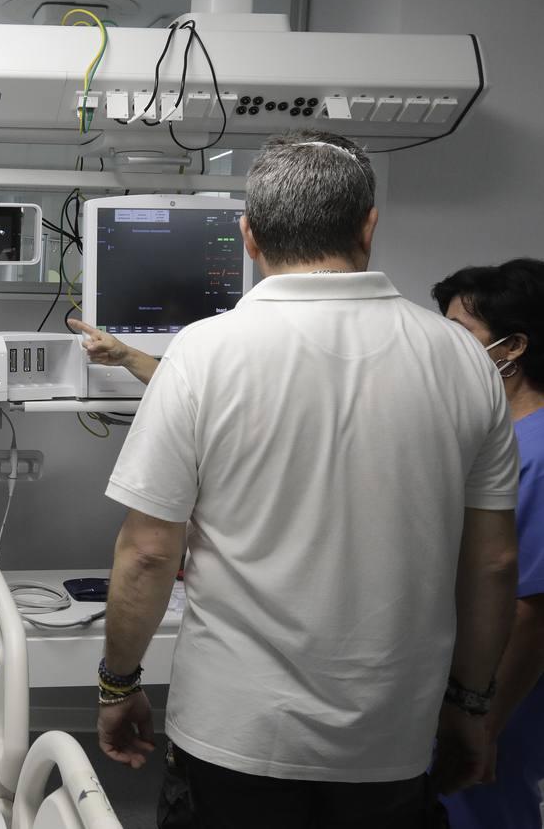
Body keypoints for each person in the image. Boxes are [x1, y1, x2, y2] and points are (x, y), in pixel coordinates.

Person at [87, 129, 520, 828]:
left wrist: (118, 684)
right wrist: (472, 708)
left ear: (249, 237)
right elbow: (495, 562)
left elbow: (147, 552)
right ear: (368, 227)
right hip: (393, 736)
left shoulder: (204, 352)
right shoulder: (463, 360)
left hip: (235, 732)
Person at [435, 259, 544, 829]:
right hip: (464, 685)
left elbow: (530, 609)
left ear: (513, 347)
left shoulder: (539, 453)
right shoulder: (494, 438)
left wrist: (485, 720)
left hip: (501, 694)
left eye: (461, 334)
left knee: (483, 806)